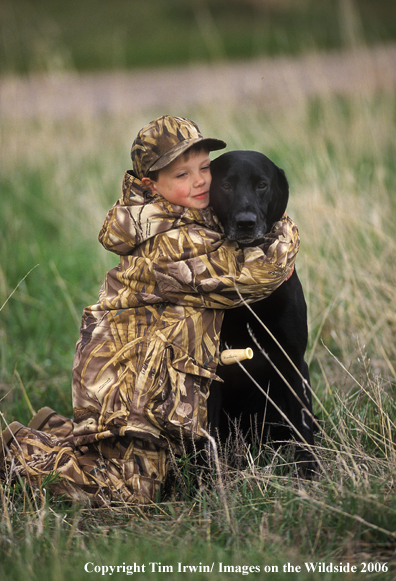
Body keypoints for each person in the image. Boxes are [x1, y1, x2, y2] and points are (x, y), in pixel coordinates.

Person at [0, 115, 300, 505]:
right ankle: (15, 451)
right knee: (127, 493)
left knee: (134, 470)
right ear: (150, 185)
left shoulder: (189, 218)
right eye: (181, 174)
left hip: (146, 378)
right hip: (127, 388)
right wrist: (287, 234)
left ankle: (51, 430)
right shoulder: (169, 242)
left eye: (204, 168)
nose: (199, 182)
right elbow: (251, 275)